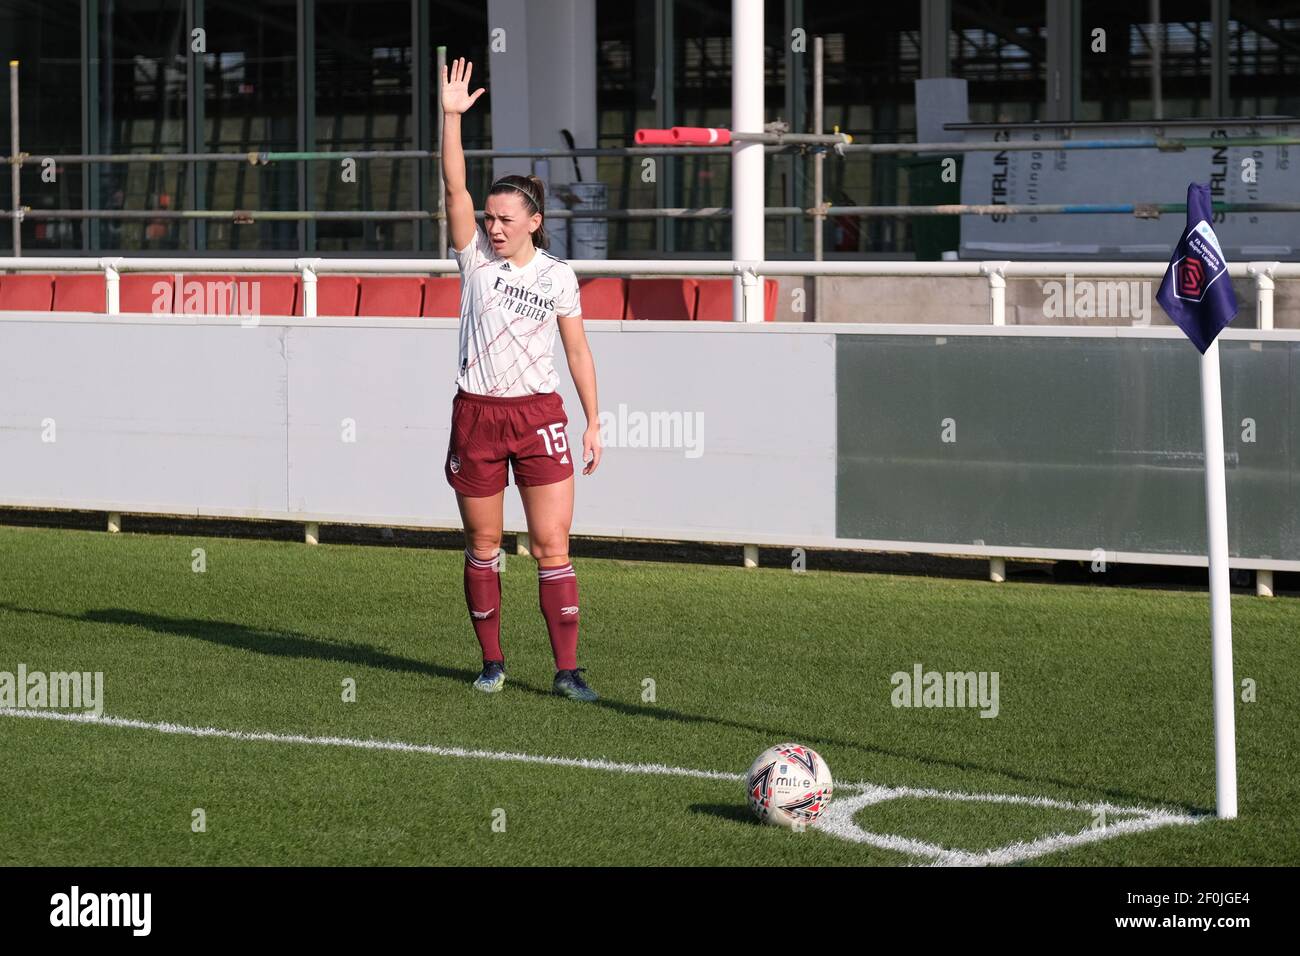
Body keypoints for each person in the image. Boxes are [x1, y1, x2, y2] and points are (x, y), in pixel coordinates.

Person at [440, 57, 603, 701]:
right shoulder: (474, 261)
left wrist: (594, 419)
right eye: (489, 218)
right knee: (483, 543)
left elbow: (579, 351)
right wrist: (452, 119)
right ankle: (492, 662)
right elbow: (454, 190)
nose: (493, 226)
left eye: (506, 219)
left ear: (534, 221)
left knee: (550, 544)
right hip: (477, 414)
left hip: (539, 416)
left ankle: (566, 670)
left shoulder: (559, 275)